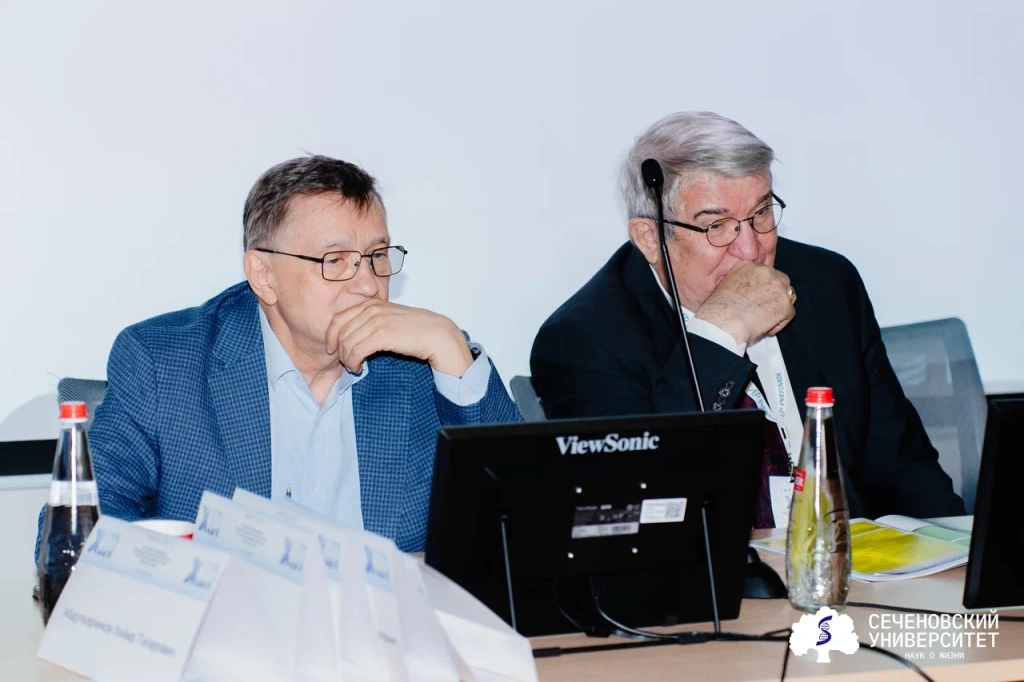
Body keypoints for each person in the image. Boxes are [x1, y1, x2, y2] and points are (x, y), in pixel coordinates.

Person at [47, 155, 520, 553]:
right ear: (264, 275)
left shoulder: (423, 363)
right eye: (336, 261)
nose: (368, 284)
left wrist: (453, 351)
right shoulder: (163, 362)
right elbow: (78, 535)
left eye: (378, 256)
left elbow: (525, 528)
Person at [530, 111, 964, 526]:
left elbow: (903, 465)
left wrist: (959, 554)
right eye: (716, 226)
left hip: (843, 559)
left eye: (761, 213)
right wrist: (720, 334)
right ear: (649, 237)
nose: (751, 249)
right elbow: (641, 502)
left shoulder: (826, 283)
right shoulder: (583, 342)